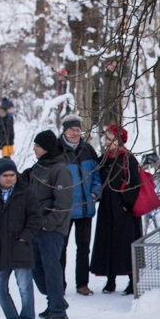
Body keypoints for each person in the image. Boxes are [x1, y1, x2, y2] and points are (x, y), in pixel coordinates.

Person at [0, 157, 39, 319]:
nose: (9, 178)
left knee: (25, 289)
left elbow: (35, 218)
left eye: (12, 174)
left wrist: (25, 237)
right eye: (5, 175)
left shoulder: (26, 192)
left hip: (20, 248)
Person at [26, 130, 74, 319]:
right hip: (35, 227)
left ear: (45, 148)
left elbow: (64, 201)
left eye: (37, 145)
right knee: (36, 268)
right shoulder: (38, 167)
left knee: (51, 267)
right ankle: (55, 302)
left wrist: (48, 224)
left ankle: (57, 309)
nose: (34, 149)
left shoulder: (60, 169)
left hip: (51, 229)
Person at [89, 123, 142, 293]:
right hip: (107, 208)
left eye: (110, 138)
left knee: (126, 245)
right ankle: (109, 279)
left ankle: (132, 280)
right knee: (107, 243)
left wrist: (127, 203)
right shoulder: (103, 159)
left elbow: (135, 182)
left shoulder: (128, 159)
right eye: (106, 138)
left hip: (124, 211)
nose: (106, 141)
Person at [58, 113, 102, 296]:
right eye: (72, 130)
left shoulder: (88, 150)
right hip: (64, 209)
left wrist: (95, 192)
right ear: (64, 130)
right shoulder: (56, 151)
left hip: (85, 207)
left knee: (84, 247)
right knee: (60, 248)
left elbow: (97, 175)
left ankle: (82, 283)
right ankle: (59, 284)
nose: (76, 133)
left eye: (78, 129)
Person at [93, 57, 124, 131]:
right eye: (111, 63)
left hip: (113, 117)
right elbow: (90, 97)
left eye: (114, 63)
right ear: (106, 64)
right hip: (100, 117)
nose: (113, 65)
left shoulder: (116, 78)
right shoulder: (98, 77)